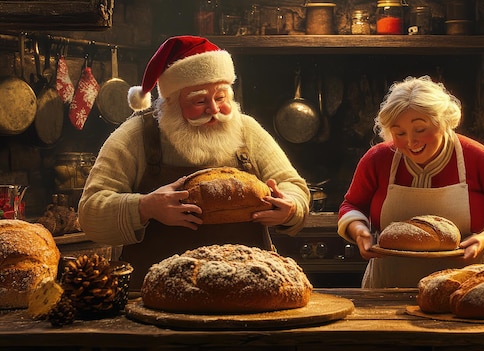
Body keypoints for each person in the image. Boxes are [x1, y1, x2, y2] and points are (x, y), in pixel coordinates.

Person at [78, 36, 310, 289]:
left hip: (247, 290)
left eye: (221, 97)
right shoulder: (136, 136)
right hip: (156, 296)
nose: (213, 109)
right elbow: (90, 213)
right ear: (171, 101)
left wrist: (290, 207)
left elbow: (292, 186)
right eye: (199, 101)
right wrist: (145, 207)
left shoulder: (248, 131)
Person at [337, 75, 484, 288]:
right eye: (399, 132)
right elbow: (352, 206)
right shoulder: (378, 159)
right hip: (387, 287)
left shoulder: (476, 157)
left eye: (420, 129)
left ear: (444, 121)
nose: (410, 142)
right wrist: (360, 231)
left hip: (464, 288)